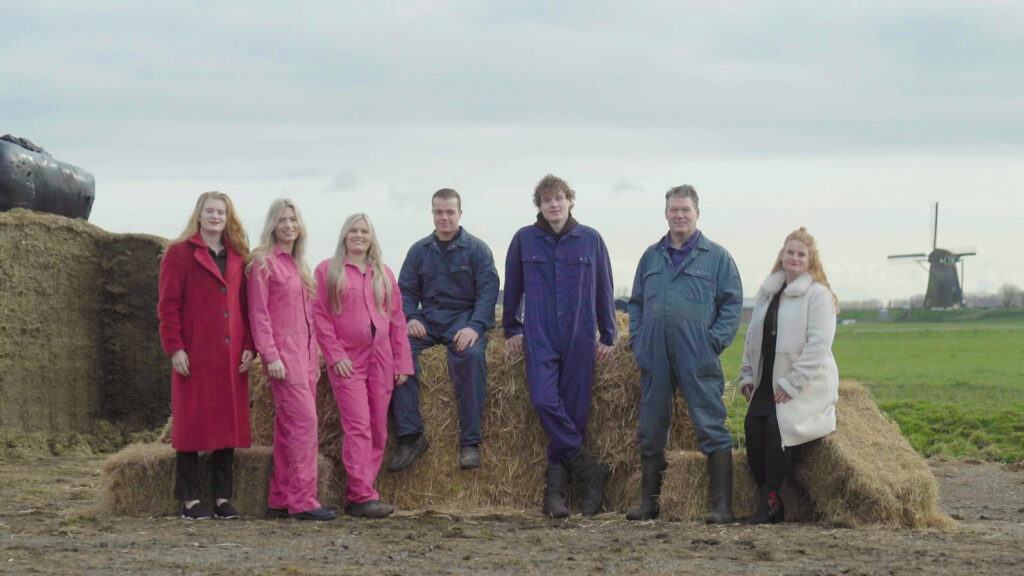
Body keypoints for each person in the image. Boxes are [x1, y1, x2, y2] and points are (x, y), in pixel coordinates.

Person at [626, 185, 743, 523]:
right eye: (674, 210)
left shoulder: (717, 257)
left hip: (697, 352)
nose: (679, 215)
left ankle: (722, 506)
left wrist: (714, 341)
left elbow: (732, 303)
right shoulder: (651, 256)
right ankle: (649, 504)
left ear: (697, 213)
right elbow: (635, 304)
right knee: (651, 424)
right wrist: (639, 340)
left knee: (710, 422)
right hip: (655, 353)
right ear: (666, 214)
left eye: (685, 210)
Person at [503, 174, 617, 518]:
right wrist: (511, 328)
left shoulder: (591, 240)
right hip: (540, 334)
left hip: (579, 336)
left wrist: (609, 335)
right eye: (546, 200)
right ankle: (588, 469)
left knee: (575, 413)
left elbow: (604, 289)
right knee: (543, 400)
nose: (554, 204)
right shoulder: (524, 239)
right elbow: (512, 288)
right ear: (539, 205)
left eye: (559, 198)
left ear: (570, 201)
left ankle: (555, 496)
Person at [158, 191, 255, 520]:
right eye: (210, 211)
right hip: (195, 354)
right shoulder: (178, 253)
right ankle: (189, 501)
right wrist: (175, 348)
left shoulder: (238, 255)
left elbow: (246, 305)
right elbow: (168, 306)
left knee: (226, 428)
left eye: (221, 213)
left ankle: (223, 499)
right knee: (190, 428)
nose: (215, 217)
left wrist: (250, 346)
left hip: (231, 355)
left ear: (229, 219)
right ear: (198, 215)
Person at [389, 188, 500, 471]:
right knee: (397, 355)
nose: (444, 217)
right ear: (432, 214)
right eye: (439, 212)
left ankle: (470, 442)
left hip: (463, 320)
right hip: (428, 321)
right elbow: (404, 291)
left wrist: (475, 327)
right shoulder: (418, 250)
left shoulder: (477, 250)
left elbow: (488, 293)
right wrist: (410, 317)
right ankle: (410, 436)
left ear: (460, 214)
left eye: (450, 212)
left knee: (471, 358)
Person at [312, 214, 414, 518]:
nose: (358, 235)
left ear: (371, 237)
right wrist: (334, 355)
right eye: (353, 231)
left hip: (381, 357)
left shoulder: (383, 272)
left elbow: (396, 319)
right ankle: (360, 495)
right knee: (358, 425)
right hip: (348, 359)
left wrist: (402, 362)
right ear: (344, 235)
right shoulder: (327, 270)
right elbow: (319, 315)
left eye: (364, 231)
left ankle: (364, 491)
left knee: (378, 428)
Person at [739, 227, 839, 524]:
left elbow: (819, 344)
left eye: (801, 254)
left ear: (810, 260)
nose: (794, 258)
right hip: (768, 379)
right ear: (781, 256)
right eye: (790, 252)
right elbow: (751, 338)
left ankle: (769, 501)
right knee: (753, 428)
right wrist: (747, 374)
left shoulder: (819, 296)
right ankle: (771, 499)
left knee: (776, 427)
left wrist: (794, 383)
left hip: (806, 383)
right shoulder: (768, 293)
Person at [247, 199, 336, 521]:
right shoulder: (263, 263)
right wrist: (270, 356)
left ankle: (279, 500)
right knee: (305, 426)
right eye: (282, 220)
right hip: (284, 358)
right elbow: (259, 314)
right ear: (272, 225)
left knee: (288, 430)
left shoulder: (298, 266)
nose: (288, 225)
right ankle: (303, 501)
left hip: (307, 358)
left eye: (293, 220)